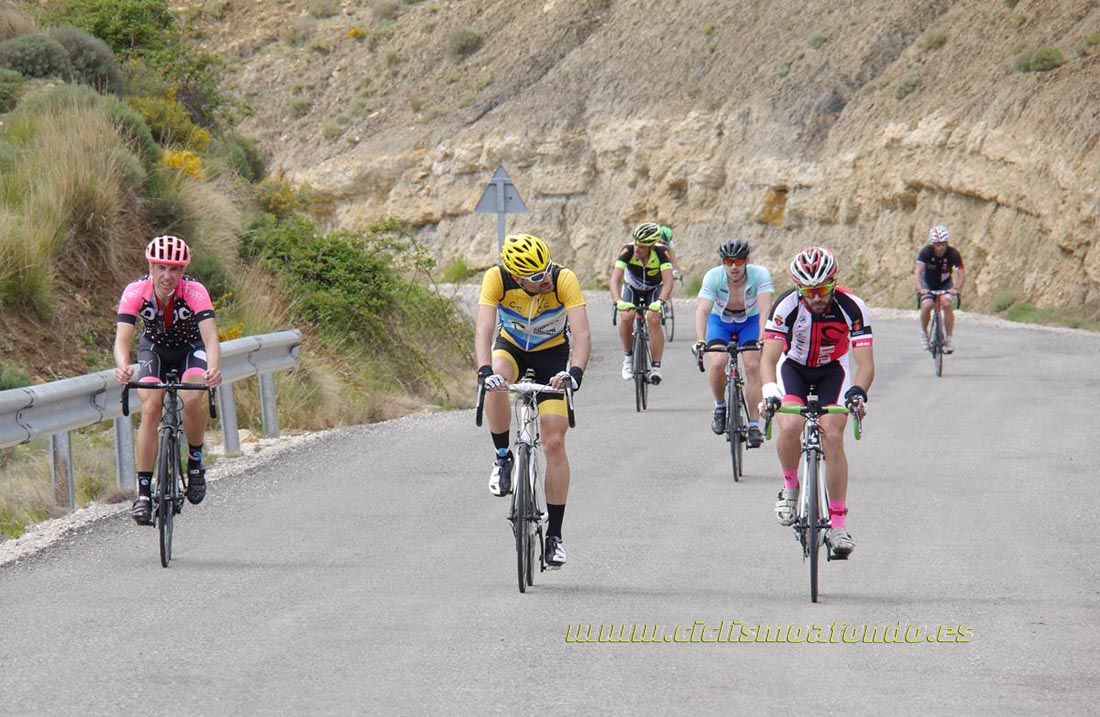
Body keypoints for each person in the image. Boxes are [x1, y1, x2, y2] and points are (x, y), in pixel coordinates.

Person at [475, 233, 591, 569]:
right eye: (535, 277)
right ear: (515, 276)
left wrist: (575, 373)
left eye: (545, 271)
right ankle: (502, 457)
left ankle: (554, 535)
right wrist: (484, 371)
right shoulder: (496, 278)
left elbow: (582, 333)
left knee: (554, 442)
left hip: (552, 356)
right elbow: (484, 330)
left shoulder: (562, 278)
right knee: (496, 380)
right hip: (511, 346)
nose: (544, 279)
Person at [759, 247, 874, 559]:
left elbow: (865, 365)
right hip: (792, 367)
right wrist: (769, 390)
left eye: (822, 290)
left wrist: (858, 393)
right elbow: (768, 358)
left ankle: (838, 525)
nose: (816, 298)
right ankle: (790, 486)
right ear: (798, 287)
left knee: (833, 437)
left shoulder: (853, 307)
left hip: (832, 371)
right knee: (791, 424)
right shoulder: (785, 306)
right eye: (808, 291)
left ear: (833, 283)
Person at [114, 235, 223, 526]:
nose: (167, 275)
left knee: (192, 396)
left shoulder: (195, 291)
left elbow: (211, 339)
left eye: (174, 269)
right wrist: (123, 367)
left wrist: (213, 370)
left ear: (183, 270)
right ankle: (144, 493)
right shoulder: (136, 291)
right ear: (151, 266)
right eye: (161, 267)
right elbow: (122, 340)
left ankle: (196, 461)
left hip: (191, 348)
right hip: (154, 349)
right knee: (150, 408)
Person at [691, 239, 774, 445]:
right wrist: (701, 339)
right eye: (729, 261)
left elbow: (765, 310)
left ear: (747, 260)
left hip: (751, 321)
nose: (734, 266)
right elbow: (702, 310)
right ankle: (720, 406)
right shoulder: (713, 276)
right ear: (723, 262)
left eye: (739, 261)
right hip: (721, 321)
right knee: (718, 362)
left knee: (753, 366)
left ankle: (754, 425)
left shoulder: (760, 274)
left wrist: (763, 337)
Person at [609, 222, 673, 383]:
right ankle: (628, 360)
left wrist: (660, 301)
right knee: (627, 316)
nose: (637, 249)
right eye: (636, 244)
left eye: (642, 247)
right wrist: (618, 301)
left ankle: (656, 367)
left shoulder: (661, 252)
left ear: (651, 247)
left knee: (654, 319)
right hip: (632, 288)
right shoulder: (627, 251)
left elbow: (668, 282)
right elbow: (615, 280)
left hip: (653, 289)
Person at [915, 224, 965, 353]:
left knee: (947, 304)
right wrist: (920, 288)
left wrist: (956, 288)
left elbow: (961, 273)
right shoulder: (926, 252)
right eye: (938, 245)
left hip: (945, 283)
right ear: (933, 244)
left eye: (944, 244)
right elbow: (918, 272)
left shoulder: (953, 253)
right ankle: (924, 333)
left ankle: (948, 338)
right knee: (927, 305)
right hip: (928, 284)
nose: (941, 247)